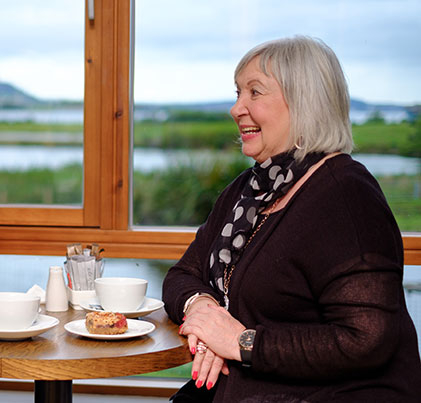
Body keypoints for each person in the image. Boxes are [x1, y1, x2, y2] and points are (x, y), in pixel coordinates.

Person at [162, 36, 421, 402]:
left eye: (255, 93)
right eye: (238, 93)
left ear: (304, 102)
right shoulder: (249, 189)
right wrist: (204, 311)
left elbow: (366, 338)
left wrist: (241, 342)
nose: (237, 109)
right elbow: (182, 275)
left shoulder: (347, 194)